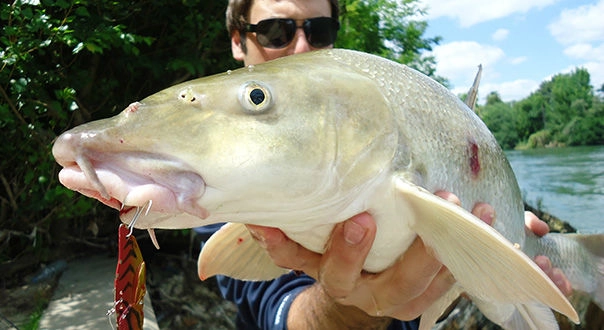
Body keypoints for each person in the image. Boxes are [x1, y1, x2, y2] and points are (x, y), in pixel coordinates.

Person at [194, 0, 573, 329]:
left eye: (319, 30)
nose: (302, 48)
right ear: (237, 40)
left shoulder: (371, 108)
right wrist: (350, 307)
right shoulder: (217, 172)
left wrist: (495, 249)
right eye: (276, 32)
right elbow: (277, 313)